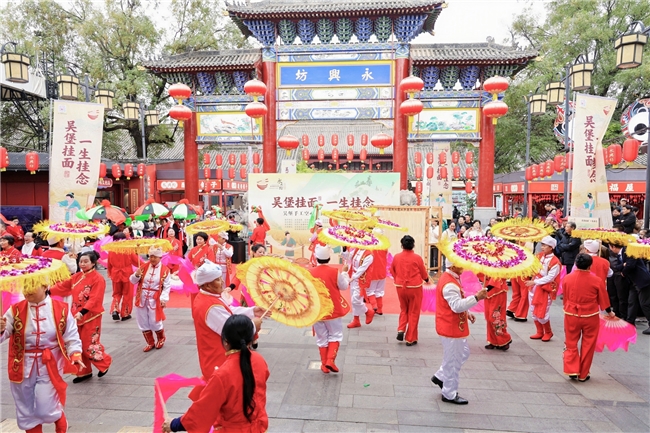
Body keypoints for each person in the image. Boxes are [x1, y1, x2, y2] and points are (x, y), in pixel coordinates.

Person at [162, 315, 270, 433]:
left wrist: (174, 424)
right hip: (260, 427)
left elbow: (203, 410)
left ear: (226, 342)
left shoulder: (223, 374)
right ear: (251, 339)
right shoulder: (260, 360)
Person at [0, 282, 85, 433]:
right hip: (21, 364)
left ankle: (58, 415)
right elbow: (4, 334)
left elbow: (71, 335)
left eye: (32, 285)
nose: (27, 290)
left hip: (50, 364)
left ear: (45, 286)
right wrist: (1, 329)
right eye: (25, 286)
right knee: (25, 405)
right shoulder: (14, 310)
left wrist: (75, 353)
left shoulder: (61, 309)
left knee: (45, 405)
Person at [192, 260, 264, 378]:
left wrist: (251, 311)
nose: (222, 282)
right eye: (217, 280)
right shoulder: (210, 306)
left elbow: (228, 310)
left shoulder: (207, 297)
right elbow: (232, 331)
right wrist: (253, 325)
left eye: (221, 278)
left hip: (215, 357)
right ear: (207, 285)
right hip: (219, 359)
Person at [50, 251, 112, 383]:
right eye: (81, 261)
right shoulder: (77, 276)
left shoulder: (98, 279)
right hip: (76, 315)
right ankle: (83, 371)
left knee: (89, 343)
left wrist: (83, 312)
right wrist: (47, 291)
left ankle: (104, 363)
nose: (82, 264)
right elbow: (63, 286)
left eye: (86, 261)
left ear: (93, 263)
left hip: (91, 315)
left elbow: (95, 298)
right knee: (77, 343)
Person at [431, 258, 487, 404]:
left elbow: (456, 302)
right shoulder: (449, 284)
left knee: (462, 353)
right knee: (453, 361)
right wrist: (476, 298)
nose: (464, 266)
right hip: (451, 327)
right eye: (460, 264)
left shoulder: (451, 278)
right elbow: (456, 306)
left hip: (452, 325)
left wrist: (466, 313)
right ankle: (449, 393)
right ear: (453, 266)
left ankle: (441, 376)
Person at [562, 253, 615, 381]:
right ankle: (583, 373)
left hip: (571, 314)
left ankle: (572, 368)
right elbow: (603, 298)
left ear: (576, 264)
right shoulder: (597, 280)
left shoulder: (567, 278)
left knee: (570, 342)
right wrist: (610, 312)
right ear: (590, 265)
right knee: (588, 344)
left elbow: (566, 297)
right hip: (590, 315)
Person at [308, 245, 350, 373]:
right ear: (329, 257)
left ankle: (324, 364)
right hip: (332, 309)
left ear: (316, 258)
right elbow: (344, 286)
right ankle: (330, 360)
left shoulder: (309, 272)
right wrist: (345, 273)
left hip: (316, 310)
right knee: (335, 334)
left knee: (321, 337)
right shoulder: (334, 272)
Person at [130, 246, 171, 351]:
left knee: (154, 320)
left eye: (155, 257)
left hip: (155, 298)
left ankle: (161, 338)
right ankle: (150, 342)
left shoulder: (165, 270)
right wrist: (136, 275)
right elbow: (133, 281)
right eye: (151, 256)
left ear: (160, 257)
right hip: (141, 297)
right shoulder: (143, 267)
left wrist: (163, 299)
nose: (152, 259)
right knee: (142, 320)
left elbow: (167, 286)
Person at [390, 235, 429, 346]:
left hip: (400, 287)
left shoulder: (397, 257)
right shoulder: (417, 258)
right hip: (414, 287)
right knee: (414, 312)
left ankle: (401, 328)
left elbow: (392, 270)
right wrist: (426, 279)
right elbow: (423, 272)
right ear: (413, 245)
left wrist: (398, 278)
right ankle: (410, 338)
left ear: (402, 245)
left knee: (404, 309)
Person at [526, 236, 561, 342]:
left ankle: (548, 332)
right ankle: (539, 331)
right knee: (533, 310)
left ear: (551, 247)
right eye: (542, 245)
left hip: (545, 288)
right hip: (534, 286)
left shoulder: (555, 262)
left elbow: (550, 277)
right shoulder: (539, 256)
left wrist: (535, 282)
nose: (542, 247)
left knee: (542, 312)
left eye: (545, 246)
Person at [107, 232, 141, 321]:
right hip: (127, 273)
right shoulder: (127, 249)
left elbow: (109, 264)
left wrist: (110, 273)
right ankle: (125, 313)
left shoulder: (111, 250)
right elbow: (136, 261)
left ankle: (115, 309)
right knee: (127, 294)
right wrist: (144, 265)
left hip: (115, 273)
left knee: (116, 293)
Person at [621, 249, 650, 335]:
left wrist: (624, 271)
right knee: (632, 301)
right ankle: (630, 323)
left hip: (642, 281)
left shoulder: (630, 249)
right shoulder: (626, 249)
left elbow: (630, 265)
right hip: (634, 281)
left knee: (644, 304)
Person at [346, 246, 375, 328]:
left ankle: (368, 311)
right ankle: (356, 320)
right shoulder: (357, 250)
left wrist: (354, 277)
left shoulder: (369, 255)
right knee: (353, 298)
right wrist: (344, 249)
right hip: (353, 276)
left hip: (360, 279)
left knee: (355, 299)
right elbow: (348, 257)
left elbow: (363, 268)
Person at [506, 241, 533, 322]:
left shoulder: (515, 247)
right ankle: (520, 314)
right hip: (523, 272)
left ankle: (512, 308)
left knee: (517, 292)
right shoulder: (527, 246)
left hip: (515, 271)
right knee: (524, 293)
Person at [483, 277, 512, 350]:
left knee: (495, 317)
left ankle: (504, 339)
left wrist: (486, 289)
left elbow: (497, 277)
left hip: (498, 290)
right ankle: (493, 341)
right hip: (488, 292)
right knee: (488, 317)